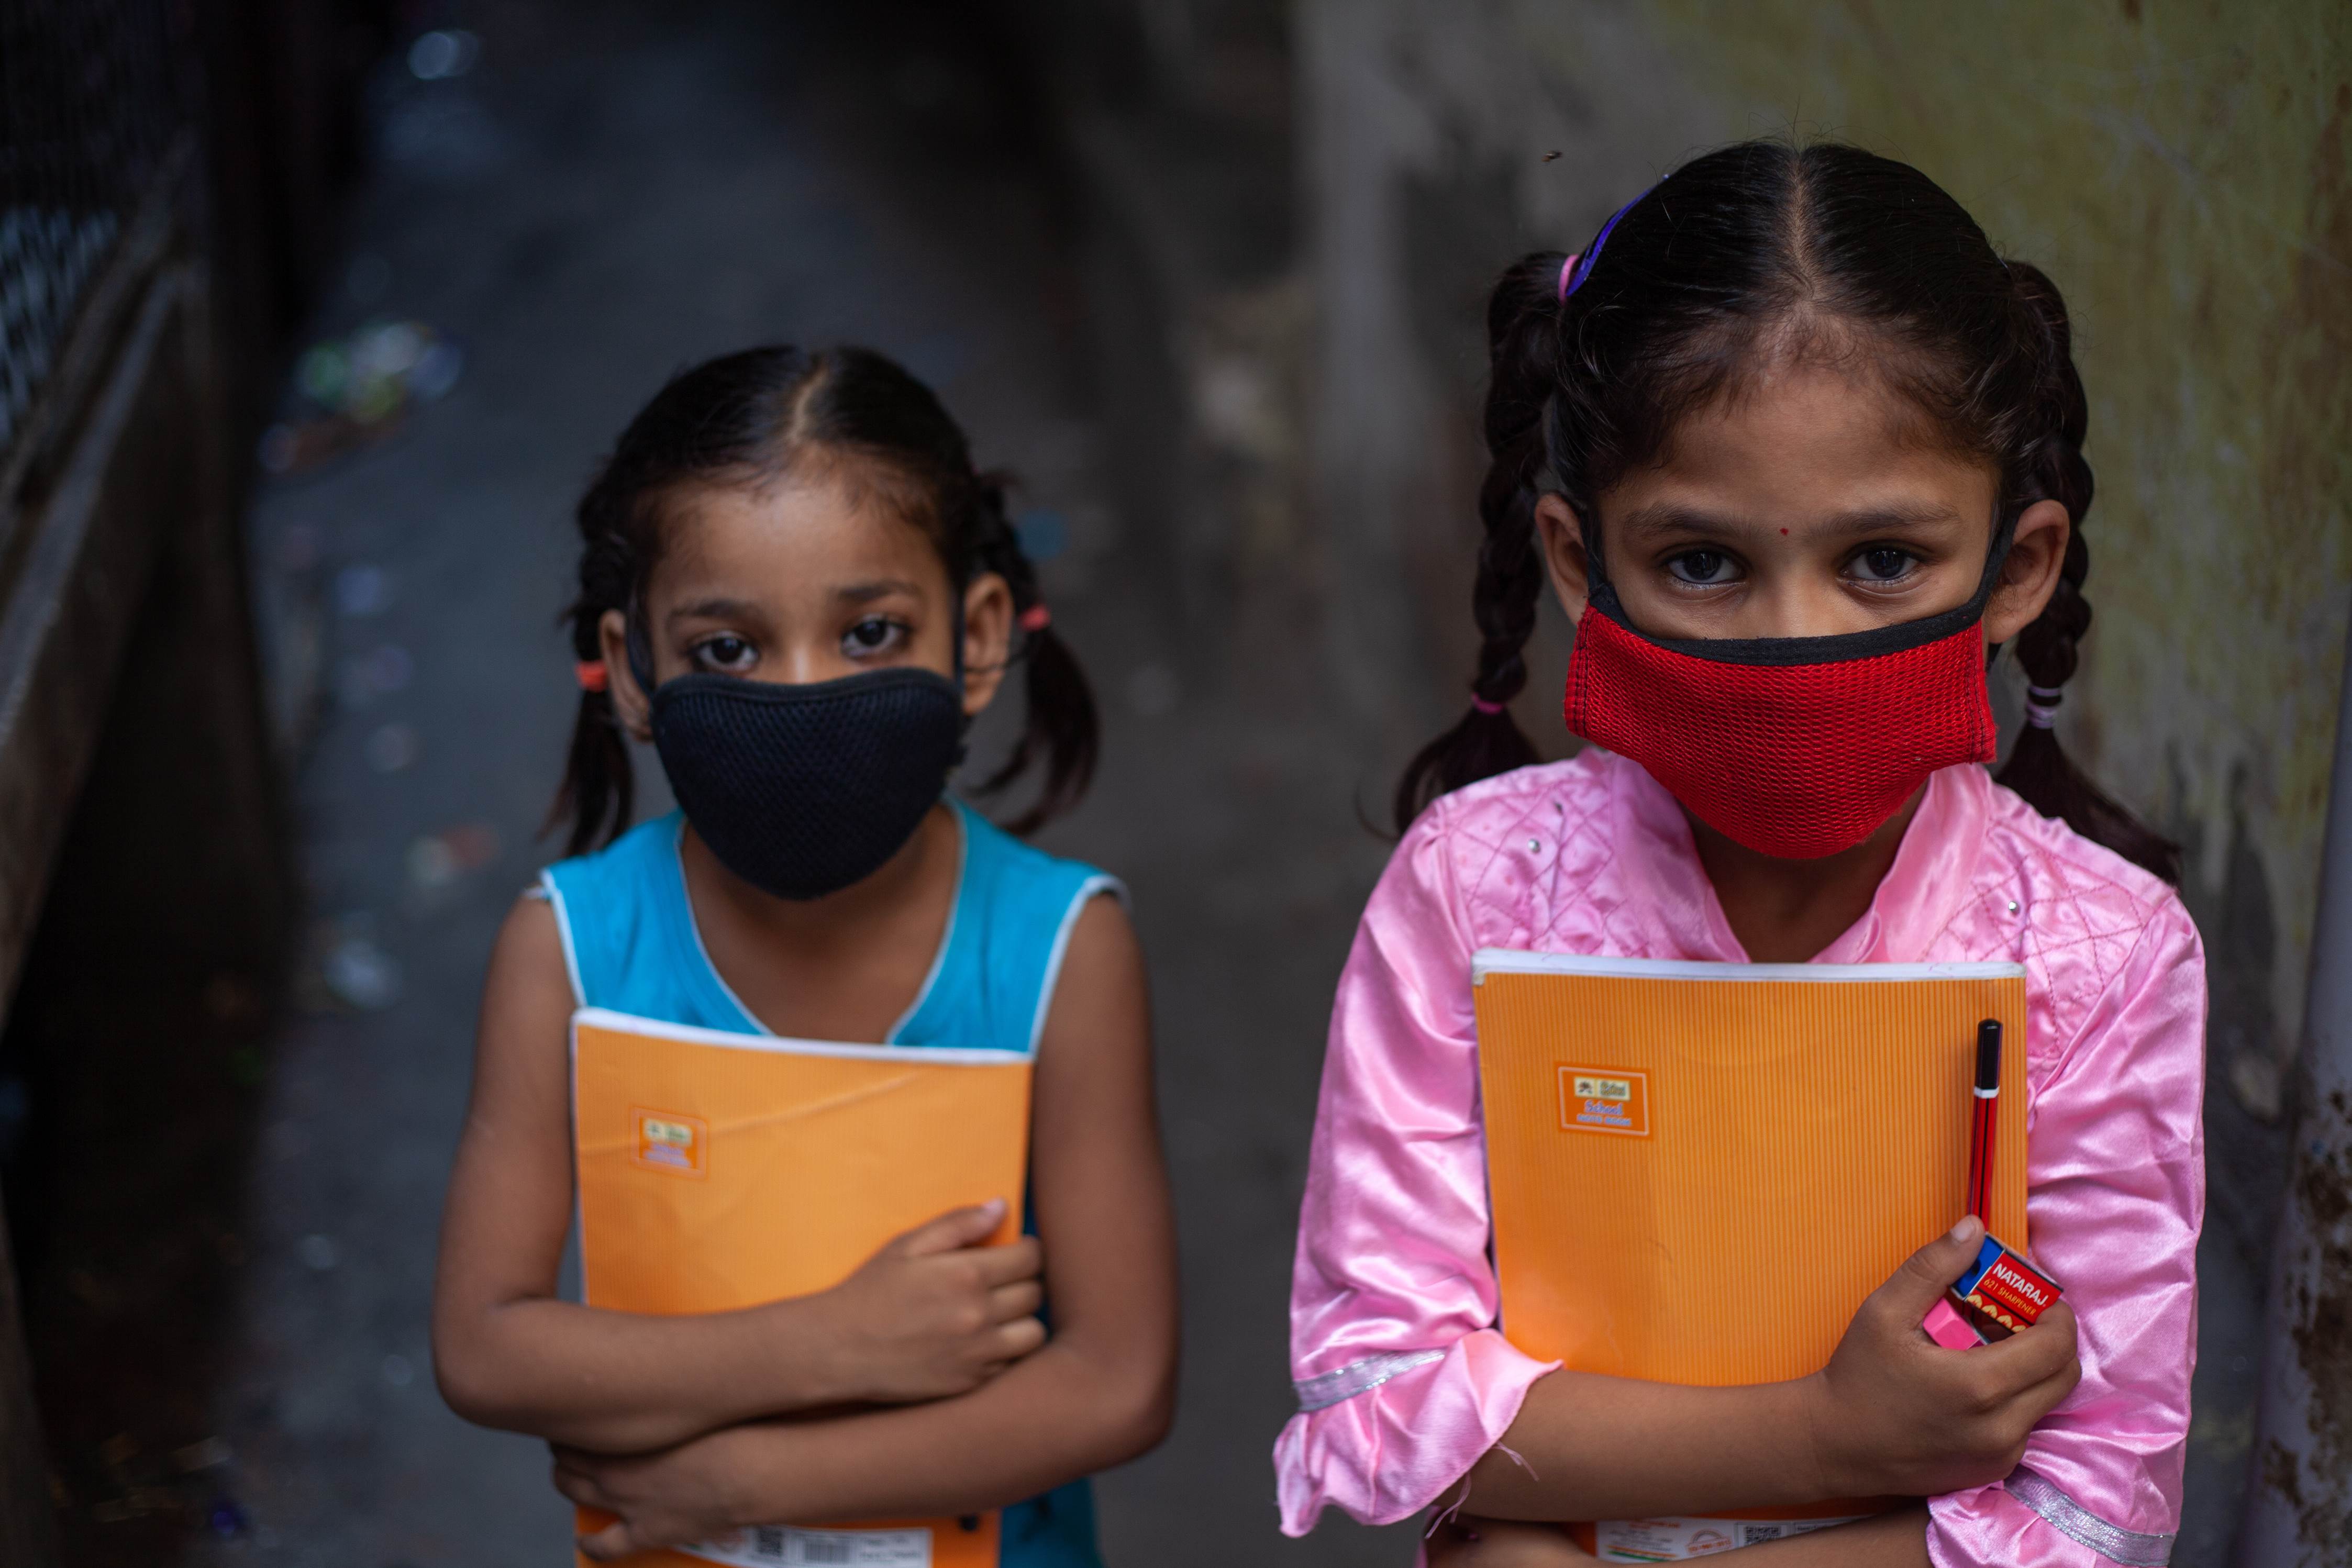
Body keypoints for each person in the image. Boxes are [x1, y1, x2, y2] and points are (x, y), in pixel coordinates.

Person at [1275, 141, 2202, 1567]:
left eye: (1882, 559)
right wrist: (1830, 1436)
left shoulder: (2097, 956)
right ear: (1582, 569)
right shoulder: (1474, 894)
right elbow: (1378, 1386)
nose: (1793, 641)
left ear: (2015, 572)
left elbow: (2090, 1497)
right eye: (1703, 561)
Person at [433, 346, 1177, 1565]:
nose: (803, 695)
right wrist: (832, 1340)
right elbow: (483, 1343)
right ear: (631, 670)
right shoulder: (564, 953)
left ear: (976, 638)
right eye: (726, 650)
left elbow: (1119, 1381)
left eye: (871, 631)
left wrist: (737, 1482)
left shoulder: (1061, 950)